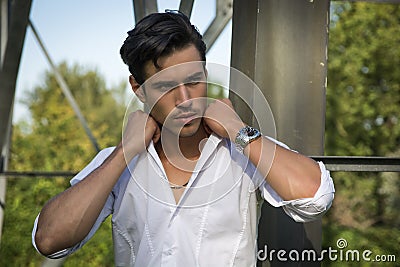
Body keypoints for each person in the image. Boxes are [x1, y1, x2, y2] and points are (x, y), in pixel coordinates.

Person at [32, 11, 335, 266]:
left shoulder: (240, 148)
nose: (185, 99)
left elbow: (315, 196)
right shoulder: (117, 162)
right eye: (165, 87)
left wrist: (238, 131)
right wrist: (125, 151)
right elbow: (49, 240)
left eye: (194, 80)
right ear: (138, 88)